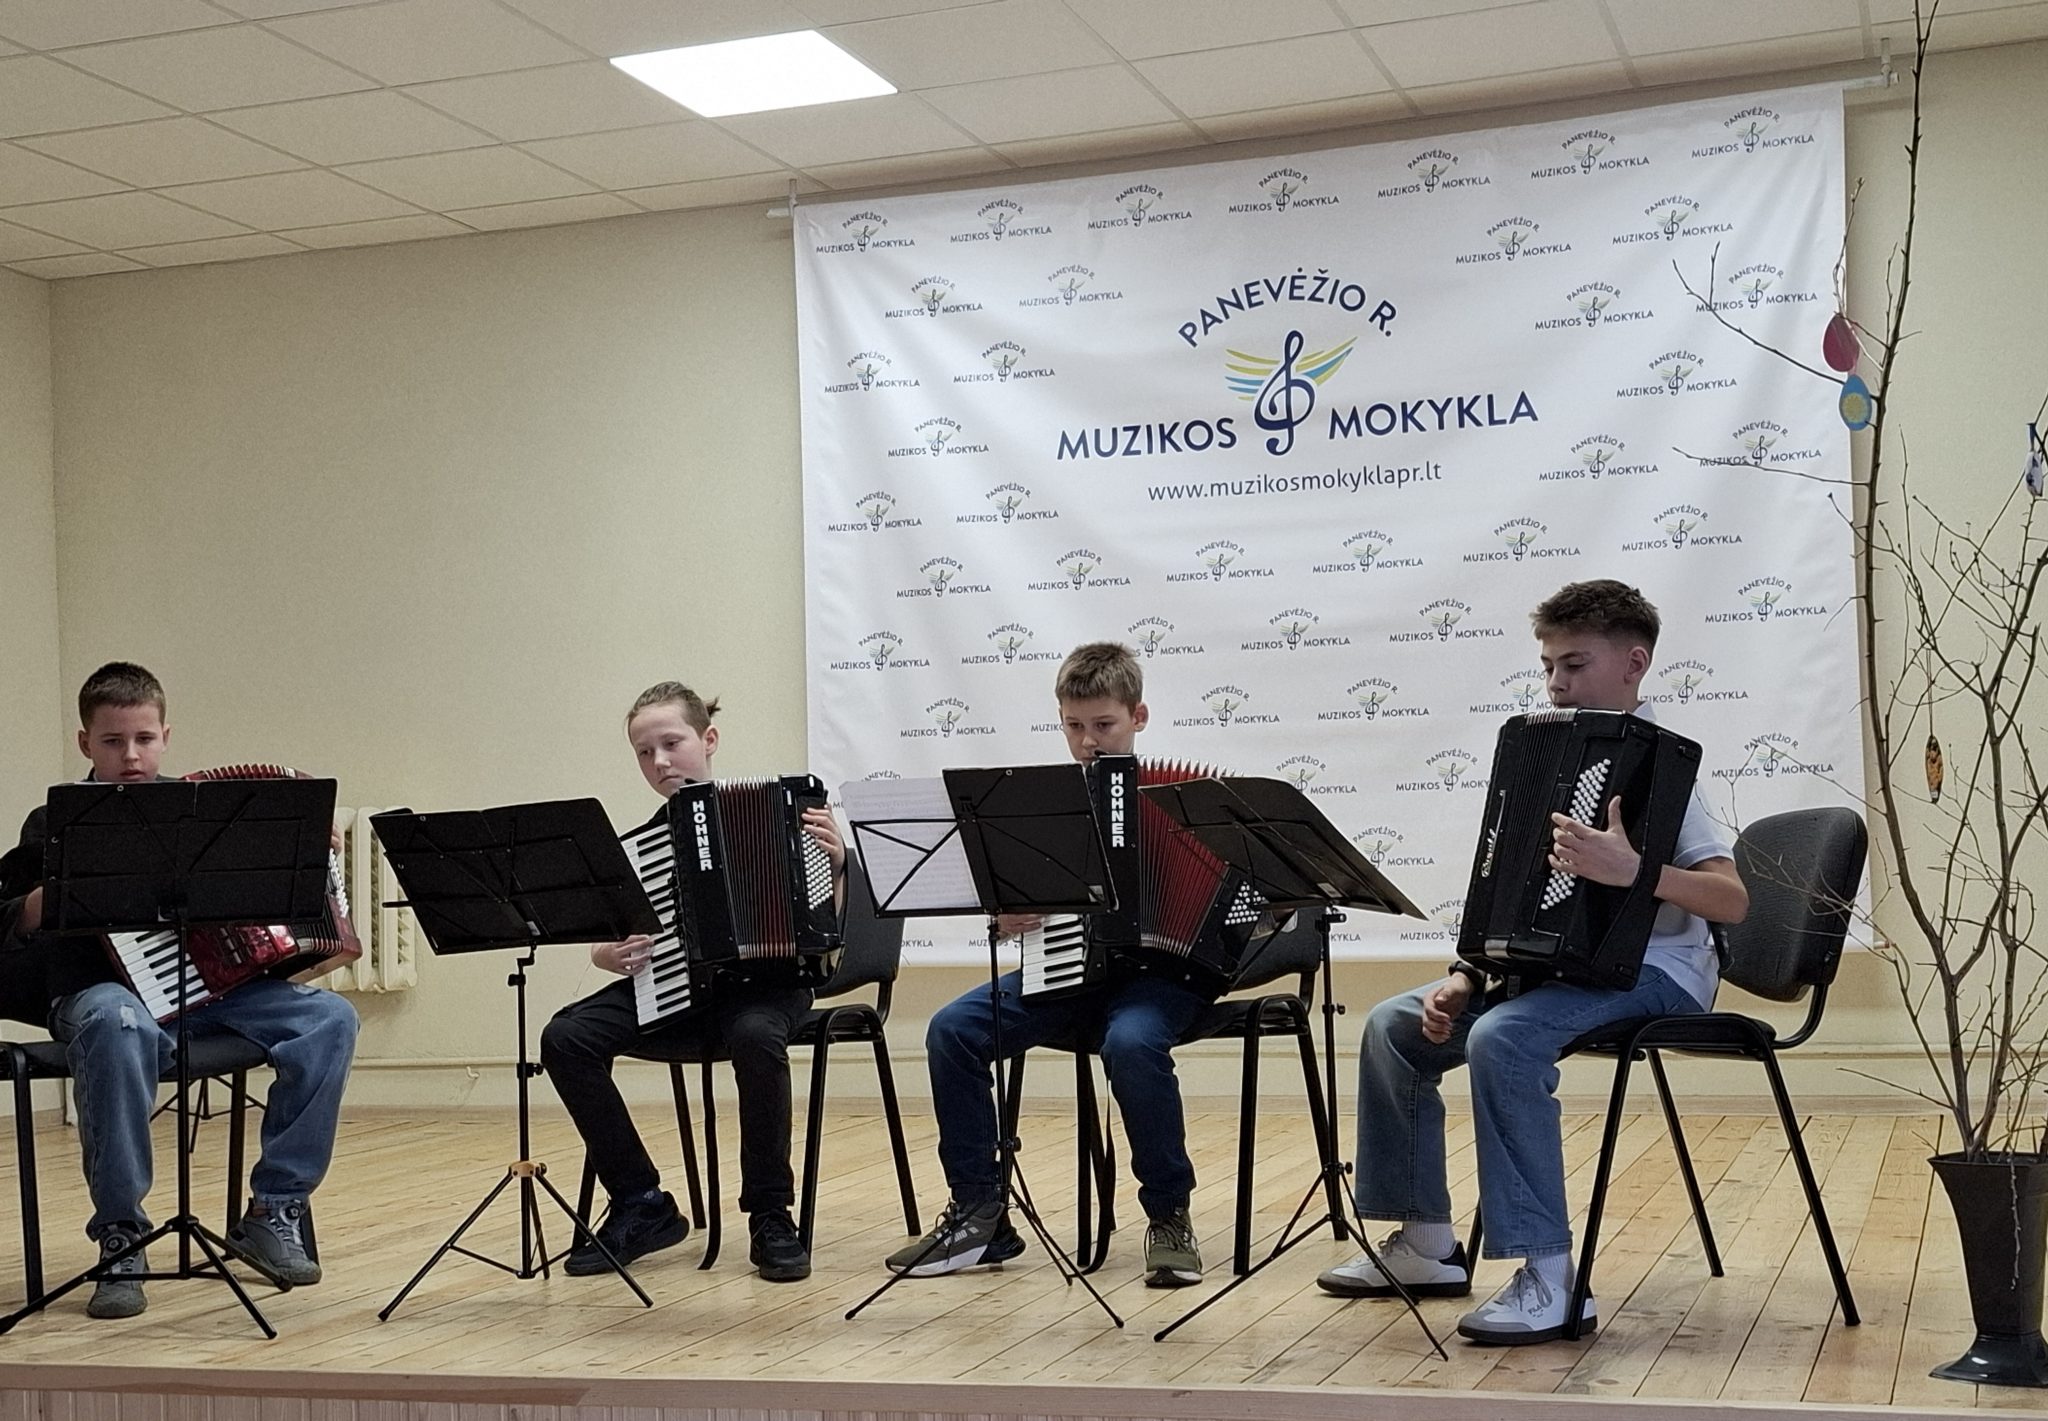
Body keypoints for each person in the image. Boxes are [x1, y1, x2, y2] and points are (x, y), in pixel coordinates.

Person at [1317, 580, 1748, 1344]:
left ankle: (1552, 1279)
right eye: (1549, 665)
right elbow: (1512, 898)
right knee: (1394, 1026)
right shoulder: (1547, 761)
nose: (1556, 683)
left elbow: (1732, 900)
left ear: (1634, 663)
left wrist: (1634, 871)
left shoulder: (1665, 771)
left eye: (1575, 664)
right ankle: (1427, 1243)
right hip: (1563, 973)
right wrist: (1468, 974)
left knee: (1504, 1038)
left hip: (1658, 972)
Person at [0, 661, 359, 1319]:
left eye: (144, 738)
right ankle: (122, 1235)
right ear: (85, 742)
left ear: (165, 736)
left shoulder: (208, 813)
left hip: (210, 993)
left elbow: (267, 909)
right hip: (102, 993)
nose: (131, 755)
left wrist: (303, 853)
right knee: (116, 1022)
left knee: (329, 1019)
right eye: (113, 741)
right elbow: (9, 920)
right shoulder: (52, 821)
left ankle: (275, 1208)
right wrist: (41, 902)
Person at [886, 641, 1230, 1288]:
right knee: (952, 1029)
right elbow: (1013, 902)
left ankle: (1169, 1215)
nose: (1088, 741)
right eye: (1074, 725)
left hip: (1162, 980)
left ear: (1138, 716)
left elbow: (1244, 901)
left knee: (1130, 1043)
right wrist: (1007, 916)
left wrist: (1240, 916)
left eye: (1104, 724)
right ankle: (981, 1214)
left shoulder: (1187, 800)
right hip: (1067, 972)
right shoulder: (1046, 805)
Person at [540, 681, 844, 1283]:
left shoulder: (789, 814)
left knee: (755, 1035)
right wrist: (607, 954)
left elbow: (830, 929)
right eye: (643, 752)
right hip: (678, 989)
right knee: (566, 1037)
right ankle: (641, 1202)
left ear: (708, 739)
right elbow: (608, 932)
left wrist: (833, 866)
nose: (659, 761)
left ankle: (770, 1214)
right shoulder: (645, 844)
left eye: (671, 743)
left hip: (769, 986)